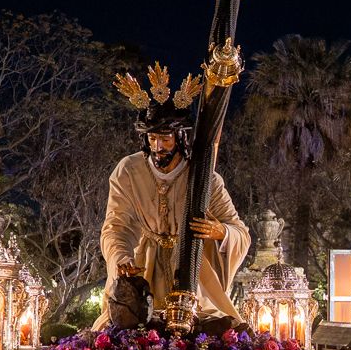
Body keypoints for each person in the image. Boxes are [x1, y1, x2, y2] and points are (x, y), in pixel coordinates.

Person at [96, 66, 250, 328]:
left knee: (220, 330)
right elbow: (116, 226)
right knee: (113, 330)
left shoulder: (205, 177)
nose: (157, 147)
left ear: (180, 137)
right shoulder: (128, 171)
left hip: (192, 272)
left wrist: (219, 231)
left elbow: (241, 233)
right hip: (144, 269)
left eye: (165, 139)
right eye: (152, 138)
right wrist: (121, 259)